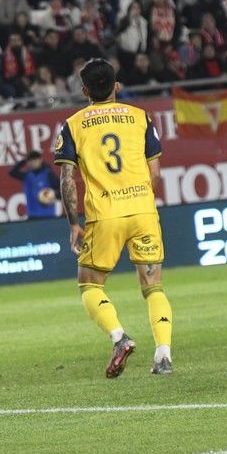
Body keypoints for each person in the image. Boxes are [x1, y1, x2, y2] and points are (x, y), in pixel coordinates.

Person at [54, 58, 174, 377]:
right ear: (117, 86)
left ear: (84, 91)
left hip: (105, 214)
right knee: (153, 287)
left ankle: (119, 336)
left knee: (89, 285)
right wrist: (141, 200)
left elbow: (67, 178)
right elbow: (155, 171)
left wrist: (73, 224)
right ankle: (163, 355)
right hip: (143, 210)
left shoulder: (73, 124)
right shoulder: (140, 117)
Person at [10, 149, 60, 219]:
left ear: (40, 160)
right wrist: (24, 161)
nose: (33, 163)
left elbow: (62, 192)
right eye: (30, 161)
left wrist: (53, 195)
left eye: (35, 160)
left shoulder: (48, 174)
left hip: (48, 216)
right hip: (32, 217)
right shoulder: (26, 176)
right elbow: (12, 172)